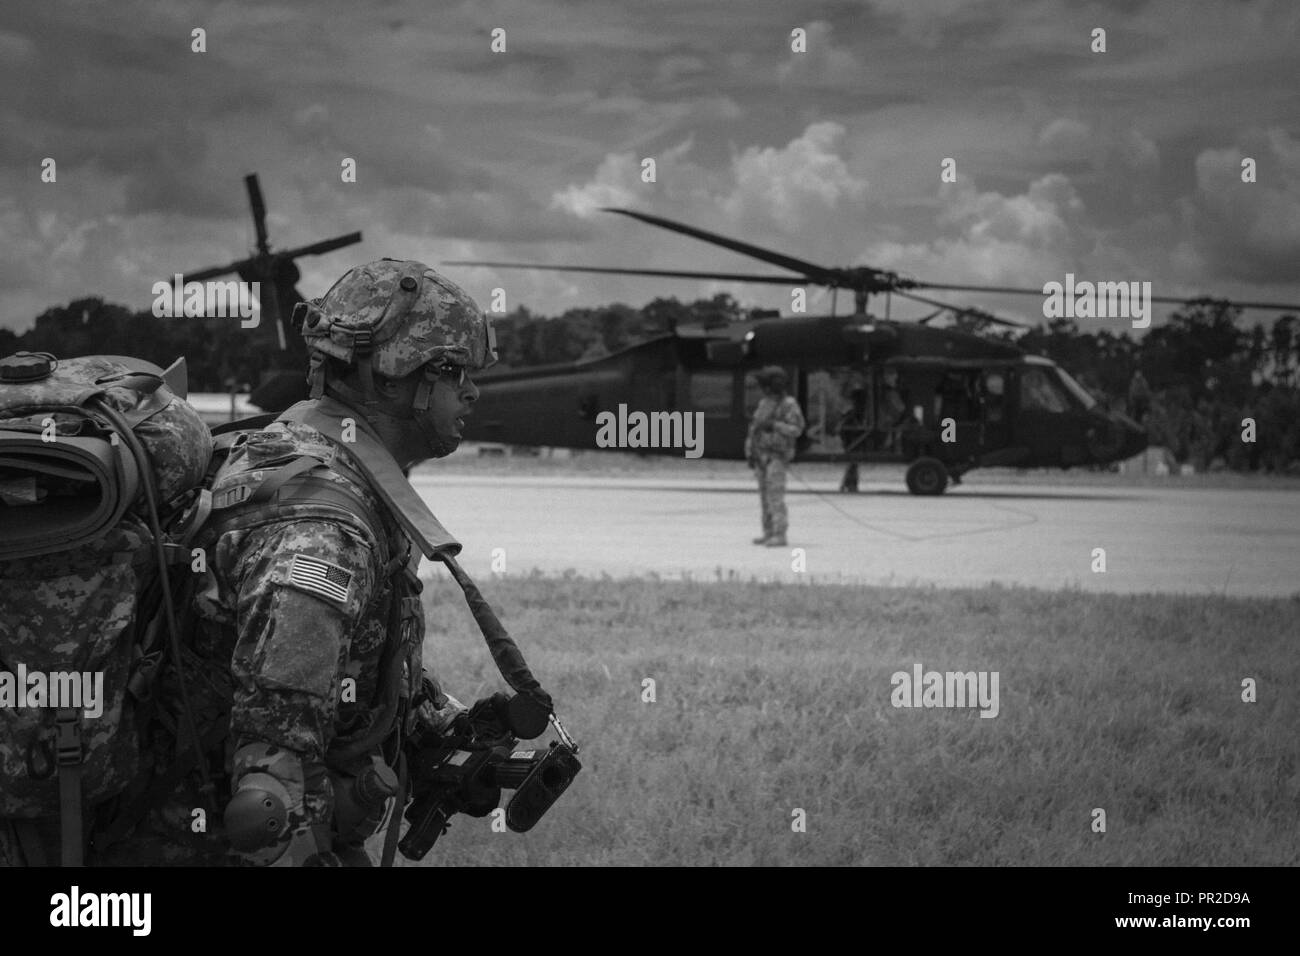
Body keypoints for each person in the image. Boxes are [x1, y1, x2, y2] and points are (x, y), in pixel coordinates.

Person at [89, 258, 497, 866]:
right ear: (389, 378)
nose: (472, 390)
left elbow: (341, 661)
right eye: (452, 369)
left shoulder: (317, 461)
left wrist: (438, 724)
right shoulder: (321, 529)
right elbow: (270, 783)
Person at [745, 366, 806, 547]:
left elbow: (797, 429)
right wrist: (749, 452)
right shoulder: (764, 404)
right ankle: (768, 531)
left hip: (776, 457)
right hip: (761, 456)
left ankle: (780, 534)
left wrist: (776, 426)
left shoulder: (789, 404)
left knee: (775, 496)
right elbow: (754, 429)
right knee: (764, 496)